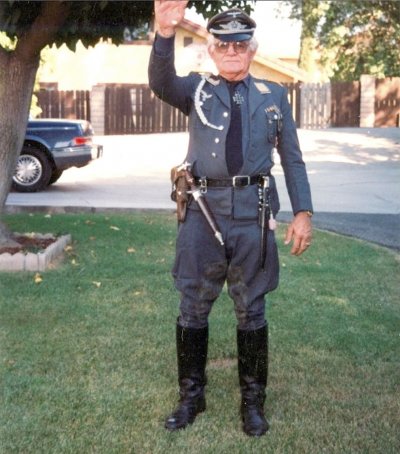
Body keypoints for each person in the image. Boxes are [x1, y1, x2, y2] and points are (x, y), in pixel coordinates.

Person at [149, 0, 313, 437]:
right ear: (213, 51)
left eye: (241, 45)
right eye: (224, 46)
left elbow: (292, 160)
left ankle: (253, 403)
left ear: (252, 50)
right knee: (192, 307)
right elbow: (160, 81)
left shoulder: (274, 96)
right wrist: (165, 34)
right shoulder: (197, 91)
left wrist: (303, 212)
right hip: (202, 214)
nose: (233, 53)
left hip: (254, 216)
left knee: (252, 310)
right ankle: (191, 397)